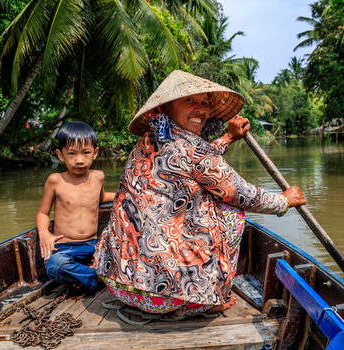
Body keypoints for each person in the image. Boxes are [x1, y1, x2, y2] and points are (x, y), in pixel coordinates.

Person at [94, 70, 306, 318]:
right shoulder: (194, 150)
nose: (200, 109)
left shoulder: (149, 140)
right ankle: (212, 297)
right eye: (190, 100)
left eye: (204, 103)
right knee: (230, 211)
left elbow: (196, 159)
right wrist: (283, 201)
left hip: (121, 285)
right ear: (166, 107)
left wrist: (227, 138)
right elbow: (241, 193)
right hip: (165, 297)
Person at [36, 121, 115, 292]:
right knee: (53, 265)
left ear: (95, 153)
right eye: (72, 154)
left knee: (123, 248)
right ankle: (98, 276)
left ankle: (83, 275)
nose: (79, 160)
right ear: (60, 155)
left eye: (86, 153)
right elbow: (43, 213)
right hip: (65, 248)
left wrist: (122, 196)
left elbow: (100, 198)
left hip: (93, 244)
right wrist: (44, 234)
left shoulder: (98, 177)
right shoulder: (55, 180)